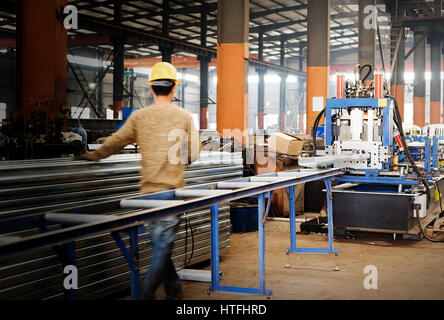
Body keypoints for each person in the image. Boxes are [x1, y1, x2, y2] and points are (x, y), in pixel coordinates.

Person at [74, 62, 201, 300]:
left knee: (161, 251)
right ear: (174, 88)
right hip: (171, 197)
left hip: (146, 198)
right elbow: (193, 154)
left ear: (151, 89)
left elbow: (115, 141)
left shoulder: (140, 117)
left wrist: (93, 155)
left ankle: (174, 292)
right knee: (161, 252)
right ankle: (145, 296)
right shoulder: (184, 117)